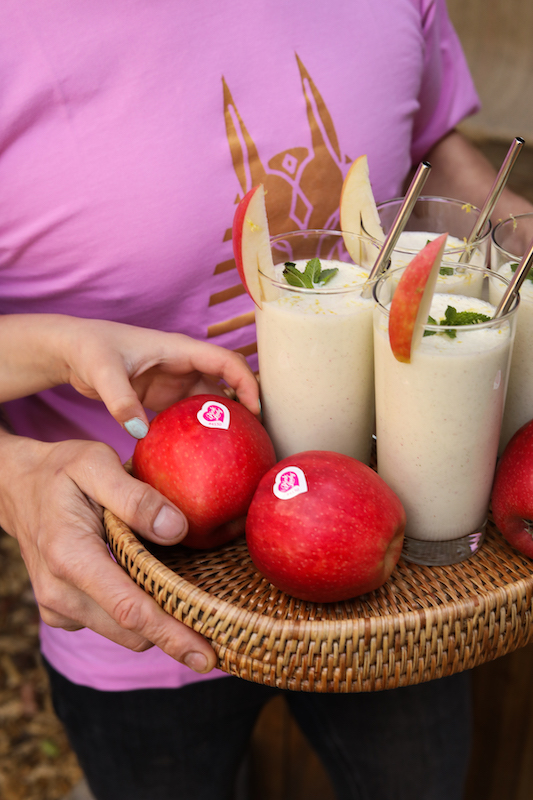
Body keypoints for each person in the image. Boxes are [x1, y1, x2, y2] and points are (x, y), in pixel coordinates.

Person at [0, 1, 531, 798]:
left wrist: (515, 234)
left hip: (390, 552)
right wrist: (12, 475)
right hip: (138, 592)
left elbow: (425, 147)